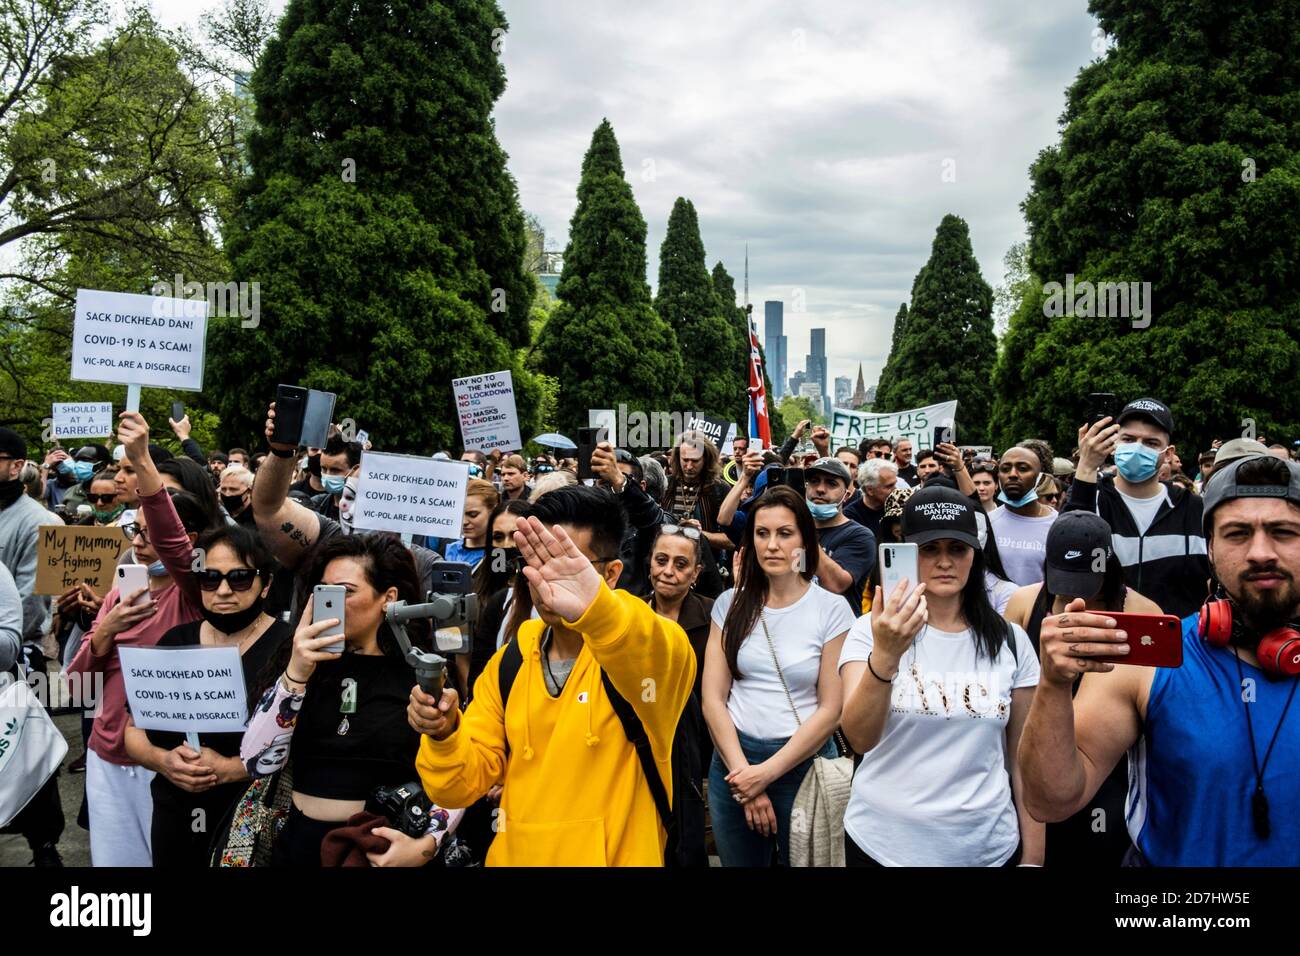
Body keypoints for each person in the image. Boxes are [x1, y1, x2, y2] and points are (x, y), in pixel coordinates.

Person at [1019, 454, 1300, 865]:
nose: (1260, 552)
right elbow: (1051, 800)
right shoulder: (1149, 658)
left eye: (1283, 532)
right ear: (1210, 548)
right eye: (1237, 533)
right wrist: (1053, 684)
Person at [409, 485, 696, 866]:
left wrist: (595, 607)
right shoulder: (510, 661)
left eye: (571, 565)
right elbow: (458, 786)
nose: (549, 582)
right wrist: (445, 734)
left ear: (612, 573)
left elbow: (650, 646)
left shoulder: (649, 649)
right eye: (539, 562)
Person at [839, 486, 1043, 866]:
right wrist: (885, 655)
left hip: (987, 848)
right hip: (883, 845)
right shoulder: (870, 631)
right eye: (930, 549)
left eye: (957, 548)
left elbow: (1022, 761)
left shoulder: (1011, 642)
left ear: (974, 556)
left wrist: (1033, 857)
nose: (944, 561)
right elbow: (859, 739)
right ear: (906, 552)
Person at [240, 533, 462, 866]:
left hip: (379, 849)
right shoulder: (299, 663)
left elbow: (455, 771)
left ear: (388, 598)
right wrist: (296, 674)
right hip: (298, 846)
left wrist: (424, 846)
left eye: (346, 591)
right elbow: (256, 762)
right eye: (324, 591)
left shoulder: (420, 670)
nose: (332, 602)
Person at [67, 412, 212, 866]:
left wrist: (142, 458)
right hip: (109, 753)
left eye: (152, 529)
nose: (142, 540)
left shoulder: (198, 592)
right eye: (136, 531)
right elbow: (74, 684)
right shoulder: (122, 591)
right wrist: (104, 632)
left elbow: (171, 542)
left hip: (170, 757)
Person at [124, 523, 292, 866]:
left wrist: (232, 769)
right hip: (176, 811)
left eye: (240, 578)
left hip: (252, 813)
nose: (224, 590)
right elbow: (133, 729)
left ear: (267, 584)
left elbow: (304, 739)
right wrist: (164, 762)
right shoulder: (175, 641)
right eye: (210, 578)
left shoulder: (290, 648)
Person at [702, 485, 852, 867]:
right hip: (734, 761)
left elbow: (832, 708)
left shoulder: (831, 610)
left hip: (803, 763)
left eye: (784, 533)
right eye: (762, 533)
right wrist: (745, 779)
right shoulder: (729, 604)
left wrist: (765, 774)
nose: (772, 545)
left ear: (804, 539)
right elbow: (713, 698)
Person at [1003, 510, 1160, 867]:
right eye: (1065, 586)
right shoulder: (1025, 604)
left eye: (1087, 587)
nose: (1078, 601)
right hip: (1035, 760)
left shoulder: (1141, 612)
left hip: (1110, 769)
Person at [1064, 398, 1210, 619]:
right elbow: (1067, 556)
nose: (1137, 448)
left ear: (1168, 454)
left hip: (1179, 645)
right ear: (1114, 444)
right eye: (1129, 439)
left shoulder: (1194, 509)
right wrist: (1086, 466)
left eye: (1151, 443)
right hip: (1107, 639)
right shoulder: (1092, 500)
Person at [0, 427, 68, 866]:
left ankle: (44, 846)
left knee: (26, 756)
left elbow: (29, 601)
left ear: (15, 465)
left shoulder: (40, 521)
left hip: (19, 655)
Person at [804, 457, 876, 613]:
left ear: (847, 495)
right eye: (814, 481)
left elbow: (836, 584)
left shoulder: (860, 536)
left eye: (831, 483)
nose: (820, 489)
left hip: (838, 632)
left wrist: (803, 532)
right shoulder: (790, 529)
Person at [989, 444, 1057, 585]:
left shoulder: (1057, 525)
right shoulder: (987, 523)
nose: (1013, 474)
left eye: (1023, 468)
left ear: (1040, 478)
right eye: (1005, 469)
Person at [444, 478, 499, 567]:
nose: (464, 522)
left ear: (493, 511)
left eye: (473, 514)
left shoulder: (500, 553)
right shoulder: (451, 549)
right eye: (459, 515)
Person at [310, 434, 361, 521]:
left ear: (356, 470)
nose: (327, 475)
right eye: (324, 468)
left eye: (335, 470)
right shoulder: (315, 504)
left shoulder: (368, 513)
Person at [845, 457, 898, 539]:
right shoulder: (850, 518)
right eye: (889, 486)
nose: (895, 489)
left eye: (894, 484)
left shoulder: (898, 508)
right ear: (870, 490)